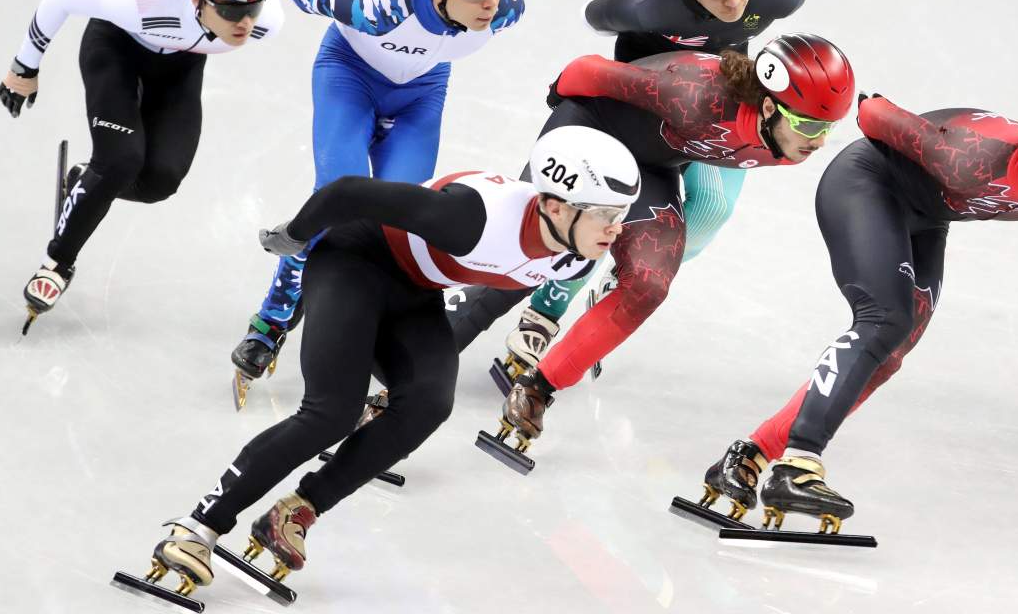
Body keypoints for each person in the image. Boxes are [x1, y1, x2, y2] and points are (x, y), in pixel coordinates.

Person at [123, 127, 639, 605]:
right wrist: (294, 236)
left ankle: (296, 512)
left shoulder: (574, 252)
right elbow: (346, 192)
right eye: (606, 214)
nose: (616, 229)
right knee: (331, 412)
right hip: (354, 258)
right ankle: (197, 527)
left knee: (429, 403)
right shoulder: (471, 216)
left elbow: (488, 294)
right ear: (552, 205)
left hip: (417, 291)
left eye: (622, 214)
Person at [693, 82, 1018, 534]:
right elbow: (872, 113)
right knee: (885, 319)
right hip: (867, 184)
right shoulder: (968, 157)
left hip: (927, 215)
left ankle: (749, 455)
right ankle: (799, 465)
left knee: (889, 353)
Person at [455, 33, 855, 456]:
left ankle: (536, 389)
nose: (819, 140)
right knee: (536, 254)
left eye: (829, 126)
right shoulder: (695, 96)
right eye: (810, 125)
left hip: (649, 164)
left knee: (648, 285)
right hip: (591, 131)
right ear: (771, 107)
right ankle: (417, 350)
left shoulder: (786, 143)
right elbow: (583, 71)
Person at [229, 0, 525, 400]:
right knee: (339, 204)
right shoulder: (380, 0)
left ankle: (366, 320)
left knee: (397, 222)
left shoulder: (510, 6)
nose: (490, 2)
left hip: (420, 95)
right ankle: (273, 318)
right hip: (350, 77)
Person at [504, 0, 807, 379]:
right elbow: (594, 18)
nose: (732, 0)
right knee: (603, 211)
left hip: (721, 106)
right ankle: (546, 305)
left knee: (711, 210)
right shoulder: (647, 0)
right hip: (648, 107)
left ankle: (621, 279)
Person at [0, 0, 283, 332]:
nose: (244, 23)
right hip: (116, 51)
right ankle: (58, 262)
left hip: (180, 68)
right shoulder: (141, 2)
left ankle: (85, 182)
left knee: (161, 181)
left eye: (252, 8)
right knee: (120, 160)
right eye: (233, 12)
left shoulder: (266, 21)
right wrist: (24, 67)